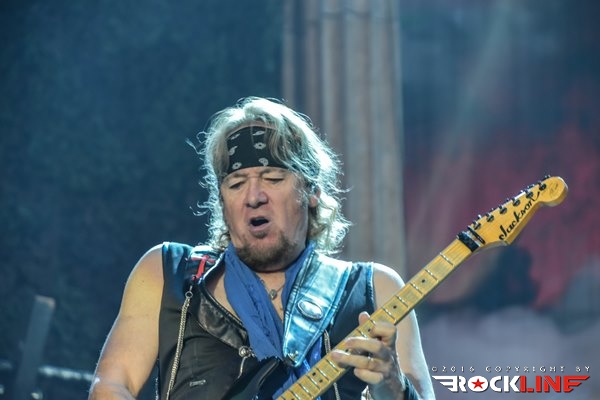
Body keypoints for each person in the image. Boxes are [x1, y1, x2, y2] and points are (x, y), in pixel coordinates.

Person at [88, 97, 435, 400]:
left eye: (273, 179)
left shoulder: (376, 290)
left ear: (312, 192)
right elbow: (111, 385)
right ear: (222, 202)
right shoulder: (169, 274)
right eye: (237, 183)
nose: (254, 197)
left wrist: (393, 386)